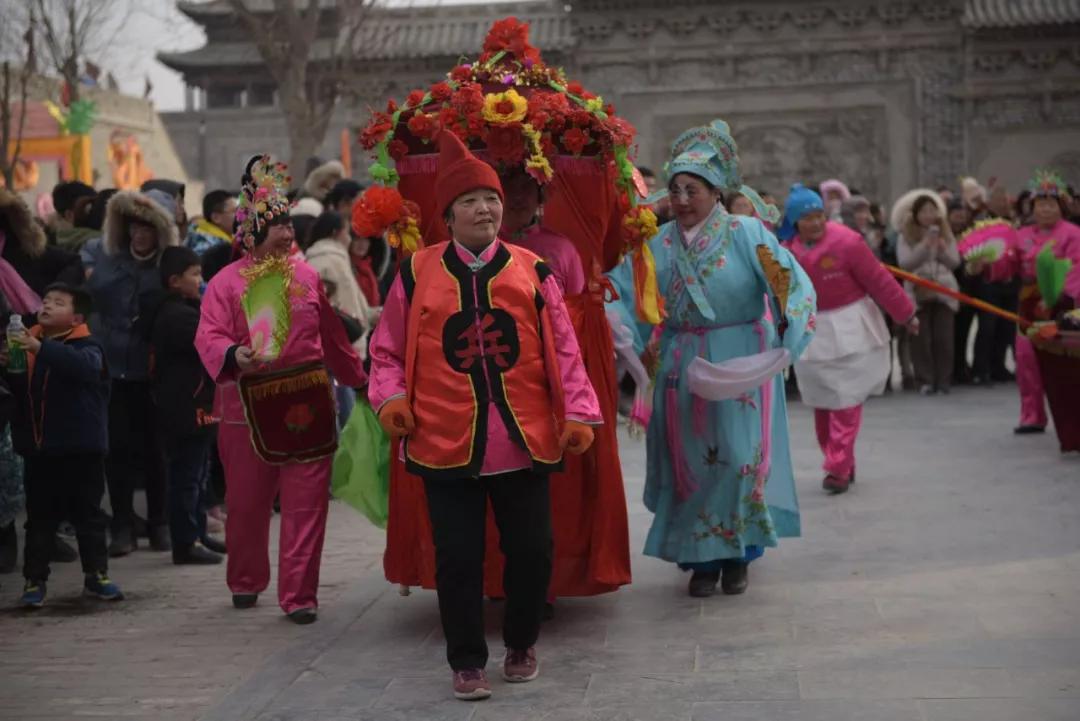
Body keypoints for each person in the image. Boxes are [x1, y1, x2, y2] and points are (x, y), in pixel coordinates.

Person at [368, 131, 601, 700]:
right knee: (457, 558)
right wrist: (391, 397)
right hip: (443, 437)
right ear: (448, 215)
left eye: (492, 199)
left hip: (524, 437)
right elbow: (386, 350)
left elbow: (563, 348)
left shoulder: (533, 269)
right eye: (471, 201)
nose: (485, 209)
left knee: (531, 550)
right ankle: (466, 661)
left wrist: (578, 411)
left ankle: (521, 643)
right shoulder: (415, 273)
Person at [610, 120, 817, 597]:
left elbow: (786, 280)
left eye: (693, 190)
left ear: (716, 192)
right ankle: (701, 559)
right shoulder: (657, 244)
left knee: (740, 458)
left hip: (741, 354)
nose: (682, 200)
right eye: (677, 189)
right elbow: (624, 292)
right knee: (691, 461)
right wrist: (612, 319)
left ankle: (740, 554)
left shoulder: (747, 234)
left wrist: (790, 323)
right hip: (683, 359)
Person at [196, 154, 365, 624]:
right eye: (274, 225)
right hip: (243, 406)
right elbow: (207, 335)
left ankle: (300, 596)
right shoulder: (225, 284)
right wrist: (232, 355)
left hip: (307, 401)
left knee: (306, 504)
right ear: (249, 234)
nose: (286, 233)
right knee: (247, 505)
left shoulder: (307, 277)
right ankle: (246, 580)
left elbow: (332, 339)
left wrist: (362, 381)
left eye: (288, 224)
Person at [784, 184, 917, 494]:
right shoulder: (786, 253)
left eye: (819, 215)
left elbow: (879, 280)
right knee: (821, 402)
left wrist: (905, 314)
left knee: (845, 399)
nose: (815, 223)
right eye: (807, 218)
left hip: (850, 328)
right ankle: (839, 458)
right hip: (811, 332)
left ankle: (837, 467)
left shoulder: (847, 242)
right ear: (794, 222)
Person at [1, 283, 122, 608]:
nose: (48, 305)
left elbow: (82, 368)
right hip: (40, 450)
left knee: (89, 516)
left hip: (82, 450)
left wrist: (39, 347)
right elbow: (20, 390)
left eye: (58, 302)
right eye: (46, 300)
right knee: (40, 519)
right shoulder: (25, 343)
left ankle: (96, 575)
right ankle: (34, 581)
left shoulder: (88, 346)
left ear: (76, 317)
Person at [86, 189, 180, 556]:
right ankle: (122, 525)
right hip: (114, 369)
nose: (140, 235)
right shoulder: (108, 261)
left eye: (147, 229)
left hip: (153, 372)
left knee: (156, 450)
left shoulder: (167, 268)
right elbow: (92, 301)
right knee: (118, 451)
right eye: (134, 228)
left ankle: (159, 523)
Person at [139, 246, 224, 565]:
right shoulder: (176, 316)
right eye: (195, 275)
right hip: (185, 407)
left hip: (196, 404)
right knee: (186, 477)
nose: (200, 281)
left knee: (198, 474)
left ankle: (199, 534)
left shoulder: (185, 309)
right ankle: (185, 543)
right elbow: (211, 342)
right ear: (175, 280)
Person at [983, 169, 1080, 435]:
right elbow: (1008, 265)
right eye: (1040, 204)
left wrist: (1057, 298)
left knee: (1066, 366)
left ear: (1062, 207)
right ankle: (1032, 414)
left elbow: (1076, 271)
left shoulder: (1073, 234)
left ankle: (1071, 418)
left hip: (1065, 308)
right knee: (1026, 359)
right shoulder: (1021, 234)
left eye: (1051, 204)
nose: (1045, 209)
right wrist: (987, 264)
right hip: (1029, 303)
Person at [894, 190, 960, 395]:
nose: (929, 215)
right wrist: (924, 246)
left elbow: (955, 262)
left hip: (944, 289)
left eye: (933, 210)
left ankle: (944, 380)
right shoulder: (905, 235)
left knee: (944, 338)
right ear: (915, 214)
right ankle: (925, 380)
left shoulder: (946, 233)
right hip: (918, 290)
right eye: (924, 211)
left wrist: (941, 249)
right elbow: (905, 264)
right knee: (921, 339)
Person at [947, 199, 978, 385]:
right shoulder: (944, 236)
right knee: (949, 334)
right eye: (956, 215)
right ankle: (949, 369)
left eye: (962, 215)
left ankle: (961, 366)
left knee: (963, 332)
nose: (960, 219)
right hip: (948, 288)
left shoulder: (971, 235)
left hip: (967, 290)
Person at [186, 189, 237, 257]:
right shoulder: (206, 248)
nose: (240, 215)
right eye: (235, 211)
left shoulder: (221, 242)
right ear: (216, 218)